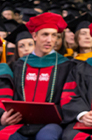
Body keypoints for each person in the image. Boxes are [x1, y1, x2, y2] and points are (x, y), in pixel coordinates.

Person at [0, 12, 75, 140]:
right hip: (20, 123)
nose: (49, 40)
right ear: (34, 35)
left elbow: (69, 99)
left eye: (54, 35)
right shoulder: (18, 65)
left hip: (51, 124)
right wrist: (3, 117)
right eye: (45, 34)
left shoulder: (67, 66)